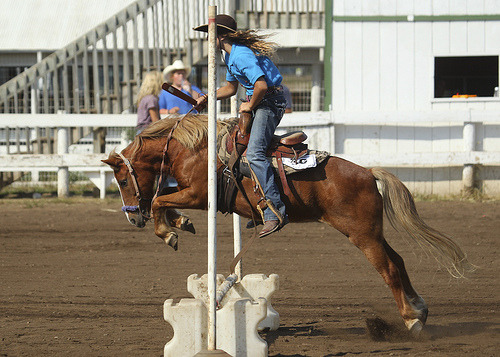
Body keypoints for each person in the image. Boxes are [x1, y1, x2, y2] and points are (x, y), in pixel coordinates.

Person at [194, 14, 288, 238]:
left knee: (254, 154)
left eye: (211, 35)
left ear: (222, 35)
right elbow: (229, 88)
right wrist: (207, 98)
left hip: (268, 103)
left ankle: (275, 212)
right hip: (262, 102)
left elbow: (261, 86)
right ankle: (258, 207)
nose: (208, 40)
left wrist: (249, 106)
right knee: (239, 149)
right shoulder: (231, 55)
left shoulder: (241, 55)